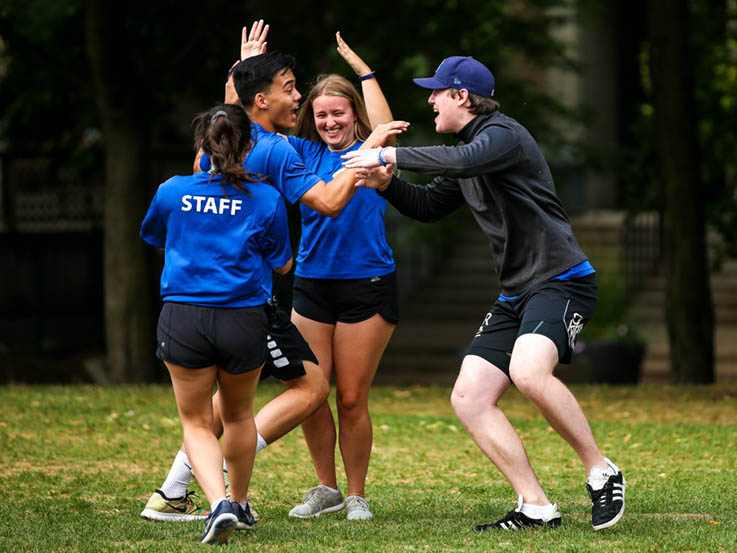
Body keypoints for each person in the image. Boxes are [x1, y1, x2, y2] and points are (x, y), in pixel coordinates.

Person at [342, 56, 626, 532]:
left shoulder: (501, 137)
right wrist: (387, 184)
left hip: (562, 280)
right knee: (470, 397)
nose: (430, 99)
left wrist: (388, 154)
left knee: (528, 371)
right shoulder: (467, 150)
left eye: (437, 92)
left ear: (462, 97)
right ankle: (534, 505)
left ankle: (601, 470)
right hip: (517, 293)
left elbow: (464, 161)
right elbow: (430, 205)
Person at [141, 23, 405, 522]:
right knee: (303, 392)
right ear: (261, 100)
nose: (299, 98)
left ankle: (192, 491)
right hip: (248, 301)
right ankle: (209, 491)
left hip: (191, 305)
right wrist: (361, 159)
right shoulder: (282, 152)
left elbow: (230, 115)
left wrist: (242, 71)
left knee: (228, 408)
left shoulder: (207, 156)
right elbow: (322, 208)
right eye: (289, 89)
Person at [140, 104, 292, 544]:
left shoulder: (172, 190)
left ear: (203, 146)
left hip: (184, 317)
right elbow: (283, 265)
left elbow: (154, 236)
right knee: (240, 414)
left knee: (195, 421)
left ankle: (217, 502)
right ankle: (239, 504)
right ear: (249, 145)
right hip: (244, 318)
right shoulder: (267, 198)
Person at [281, 35, 399, 522]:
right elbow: (246, 127)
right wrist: (244, 73)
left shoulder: (375, 155)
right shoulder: (301, 155)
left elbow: (385, 130)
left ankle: (355, 494)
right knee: (311, 393)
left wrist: (363, 71)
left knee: (351, 398)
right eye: (322, 114)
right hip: (311, 285)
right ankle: (325, 489)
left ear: (354, 115)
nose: (331, 122)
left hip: (367, 286)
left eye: (340, 113)